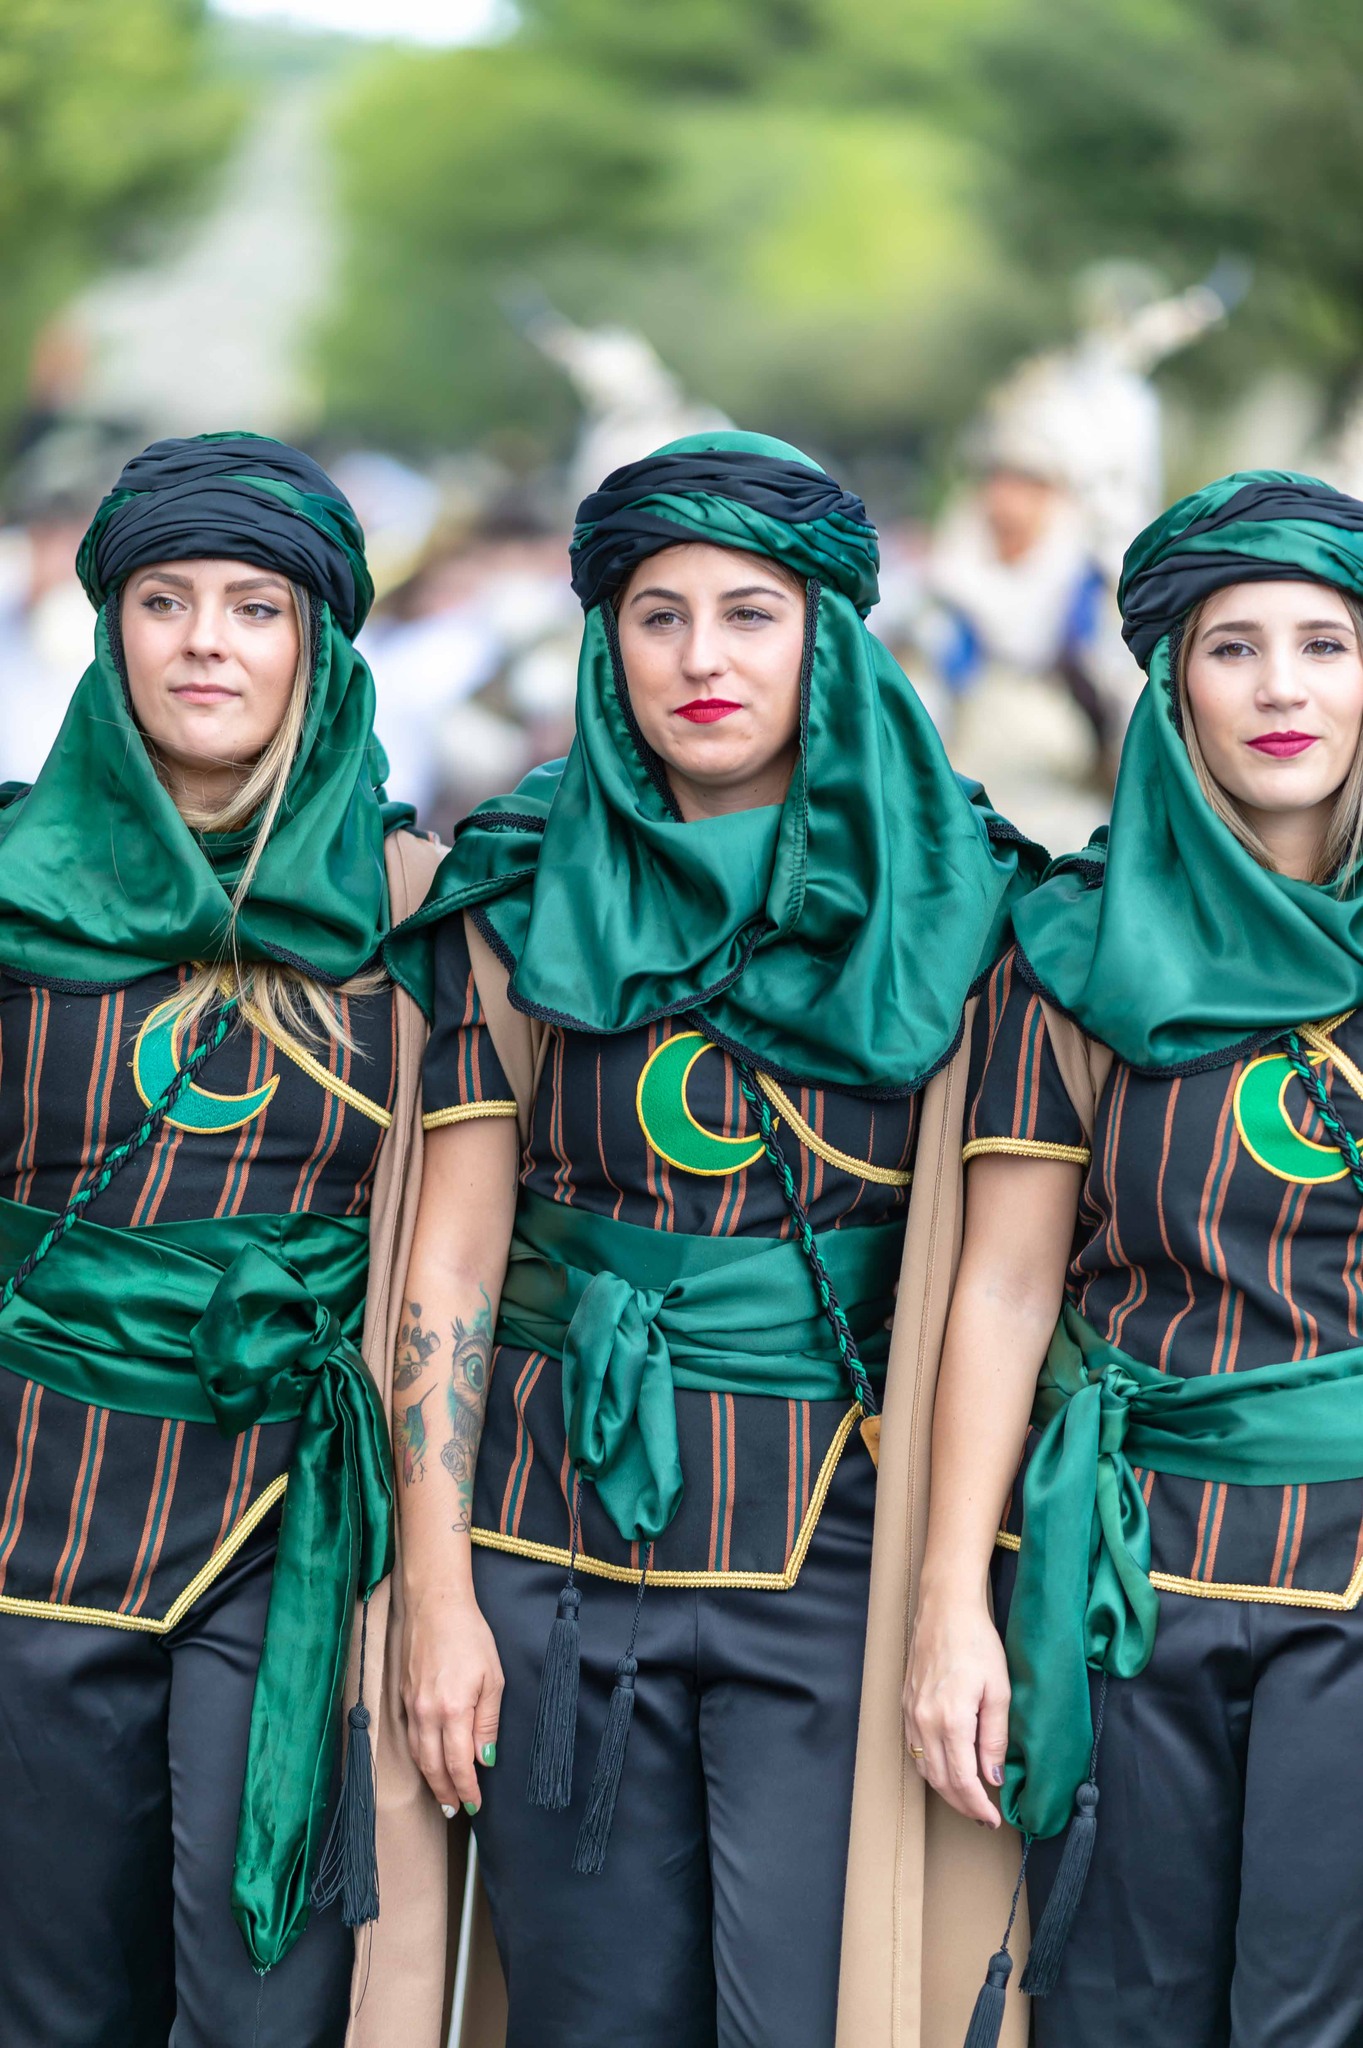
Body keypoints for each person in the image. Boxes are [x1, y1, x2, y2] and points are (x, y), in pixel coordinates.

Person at [376, 430, 1043, 2048]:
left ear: (829, 634)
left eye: (751, 614)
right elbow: (450, 1266)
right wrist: (439, 1597)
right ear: (606, 641)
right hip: (549, 1554)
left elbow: (1002, 1282)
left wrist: (955, 1599)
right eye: (657, 615)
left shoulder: (963, 901)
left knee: (812, 2013)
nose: (701, 659)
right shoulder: (516, 888)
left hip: (841, 1561)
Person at [906, 470, 1363, 2047]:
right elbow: (1004, 1288)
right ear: (1172, 688)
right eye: (1234, 648)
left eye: (1326, 644)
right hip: (1120, 1575)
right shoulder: (1072, 949)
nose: (1283, 688)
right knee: (1113, 2009)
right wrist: (951, 1603)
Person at [0, 431, 442, 2047]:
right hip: (30, 1506)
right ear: (109, 627)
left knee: (269, 2008)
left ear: (318, 643)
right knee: (51, 2000)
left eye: (255, 607)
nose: (206, 642)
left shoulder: (423, 908)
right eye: (164, 600)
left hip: (294, 1522)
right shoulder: (11, 888)